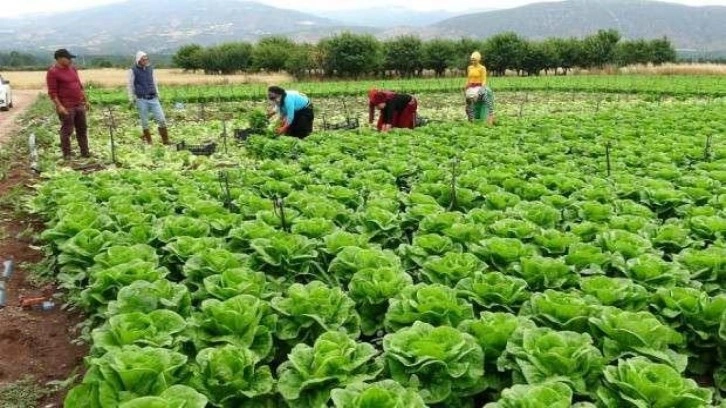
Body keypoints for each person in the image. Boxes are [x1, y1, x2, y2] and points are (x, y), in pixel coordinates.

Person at [46, 48, 90, 160]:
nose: (71, 60)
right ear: (59, 59)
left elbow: (79, 85)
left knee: (82, 129)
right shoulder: (53, 72)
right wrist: (59, 106)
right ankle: (67, 154)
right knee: (67, 130)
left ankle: (85, 152)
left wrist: (85, 100)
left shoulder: (73, 69)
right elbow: (52, 92)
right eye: (68, 58)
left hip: (78, 104)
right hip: (66, 106)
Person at [127, 51, 170, 145]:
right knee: (145, 122)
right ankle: (149, 142)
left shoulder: (150, 68)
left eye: (146, 58)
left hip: (153, 98)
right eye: (143, 59)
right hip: (141, 99)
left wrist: (158, 93)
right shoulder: (133, 70)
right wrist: (131, 99)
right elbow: (130, 85)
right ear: (139, 60)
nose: (145, 60)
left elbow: (155, 82)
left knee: (161, 119)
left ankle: (166, 140)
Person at [464, 51, 495, 125]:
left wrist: (482, 88)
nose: (473, 61)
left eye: (474, 59)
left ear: (478, 59)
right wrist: (465, 87)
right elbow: (468, 79)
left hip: (479, 86)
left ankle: (491, 113)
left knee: (484, 97)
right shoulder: (469, 68)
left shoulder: (482, 68)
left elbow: (484, 80)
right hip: (471, 87)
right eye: (472, 59)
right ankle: (470, 119)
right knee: (468, 103)